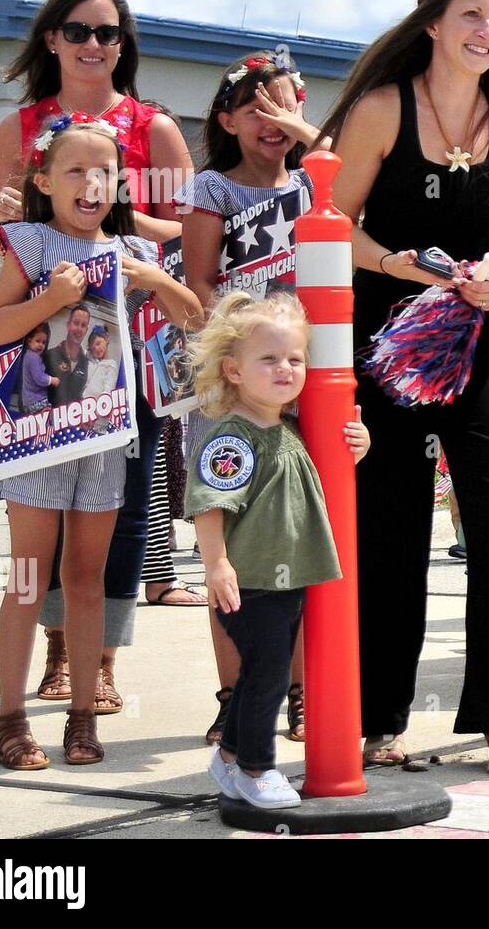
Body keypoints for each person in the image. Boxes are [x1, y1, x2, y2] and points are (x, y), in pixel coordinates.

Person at [325, 0, 489, 776]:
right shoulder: (383, 109)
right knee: (390, 525)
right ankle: (379, 718)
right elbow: (331, 224)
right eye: (471, 16)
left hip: (474, 333)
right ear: (432, 25)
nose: (486, 32)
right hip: (385, 337)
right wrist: (398, 265)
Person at [0, 116, 199, 771]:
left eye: (104, 170)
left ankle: (82, 716)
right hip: (37, 435)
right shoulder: (30, 243)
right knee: (28, 574)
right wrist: (52, 297)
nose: (92, 182)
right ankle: (11, 719)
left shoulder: (135, 249)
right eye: (75, 170)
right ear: (44, 181)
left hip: (108, 439)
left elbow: (193, 316)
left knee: (87, 575)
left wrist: (155, 280)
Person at [176, 53, 320, 743]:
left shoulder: (316, 180)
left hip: (306, 376)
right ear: (228, 120)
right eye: (255, 109)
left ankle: (298, 687)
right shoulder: (213, 188)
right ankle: (235, 693)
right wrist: (244, 362)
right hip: (237, 387)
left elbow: (341, 168)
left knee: (298, 533)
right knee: (232, 538)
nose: (272, 122)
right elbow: (201, 286)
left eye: (285, 105)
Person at [188, 291, 368, 809]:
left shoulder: (288, 429)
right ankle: (255, 768)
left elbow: (317, 480)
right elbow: (209, 505)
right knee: (269, 673)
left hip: (285, 580)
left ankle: (229, 757)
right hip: (251, 581)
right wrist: (216, 564)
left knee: (261, 671)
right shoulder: (233, 438)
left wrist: (359, 444)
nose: (285, 368)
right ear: (234, 371)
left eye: (295, 358)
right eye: (269, 359)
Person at [0, 0, 191, 248]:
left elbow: (192, 234)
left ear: (121, 44)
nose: (93, 44)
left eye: (107, 34)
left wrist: (111, 212)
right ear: (52, 40)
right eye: (77, 32)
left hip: (133, 286)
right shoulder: (16, 128)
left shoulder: (156, 129)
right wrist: (2, 217)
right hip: (47, 287)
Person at [45, 305, 91, 404]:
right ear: (68, 325)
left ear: (86, 331)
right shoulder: (50, 355)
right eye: (76, 323)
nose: (79, 329)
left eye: (83, 325)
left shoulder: (86, 364)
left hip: (71, 417)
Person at [20, 323, 59, 413]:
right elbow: (40, 379)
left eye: (43, 342)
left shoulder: (28, 355)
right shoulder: (34, 358)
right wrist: (52, 380)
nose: (41, 345)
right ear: (29, 341)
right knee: (50, 417)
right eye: (38, 341)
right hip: (36, 400)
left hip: (27, 400)